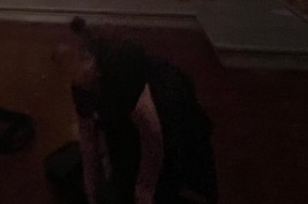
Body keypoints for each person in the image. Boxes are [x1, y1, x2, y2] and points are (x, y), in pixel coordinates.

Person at [64, 17, 217, 204]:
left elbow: (153, 146)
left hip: (171, 128)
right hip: (131, 124)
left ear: (92, 62)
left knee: (169, 185)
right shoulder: (81, 85)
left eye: (74, 62)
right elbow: (88, 141)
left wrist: (144, 191)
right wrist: (91, 194)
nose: (69, 72)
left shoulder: (131, 84)